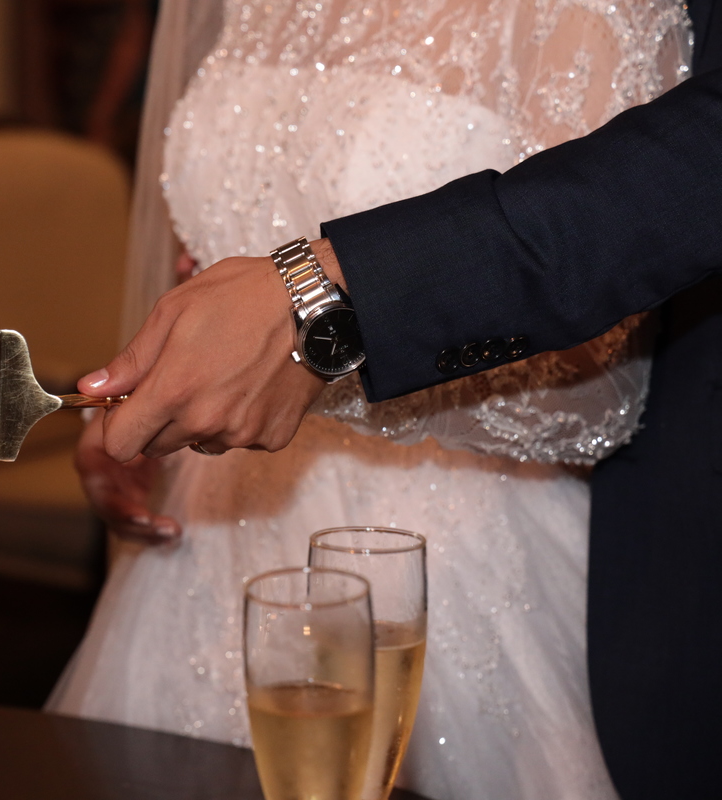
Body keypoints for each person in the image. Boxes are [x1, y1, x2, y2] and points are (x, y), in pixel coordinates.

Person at [47, 1, 693, 798]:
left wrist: (311, 368)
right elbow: (209, 258)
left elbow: (602, 391)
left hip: (456, 570)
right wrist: (154, 400)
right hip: (208, 552)